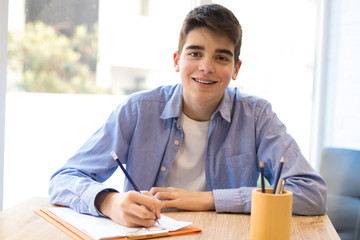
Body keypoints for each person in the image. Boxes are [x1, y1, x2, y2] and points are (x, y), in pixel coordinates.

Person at [49, 3, 327, 228]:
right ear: (176, 60)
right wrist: (108, 203)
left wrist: (209, 200)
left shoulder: (257, 116)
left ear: (235, 68)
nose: (206, 67)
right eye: (195, 53)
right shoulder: (137, 110)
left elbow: (311, 193)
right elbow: (64, 180)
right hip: (149, 233)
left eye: (221, 58)